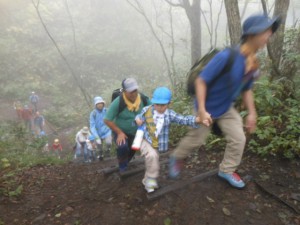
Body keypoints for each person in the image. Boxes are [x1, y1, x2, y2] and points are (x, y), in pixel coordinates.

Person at [169, 14, 281, 189]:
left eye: (270, 31)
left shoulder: (252, 62)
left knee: (238, 138)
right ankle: (177, 156)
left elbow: (246, 88)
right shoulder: (227, 56)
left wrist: (252, 112)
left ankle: (226, 170)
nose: (269, 35)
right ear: (252, 34)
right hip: (205, 107)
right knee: (196, 139)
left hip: (225, 108)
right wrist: (202, 111)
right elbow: (201, 81)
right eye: (266, 31)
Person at [135, 87, 201, 193]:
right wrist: (137, 120)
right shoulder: (146, 111)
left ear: (169, 103)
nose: (160, 108)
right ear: (153, 102)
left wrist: (196, 120)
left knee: (153, 160)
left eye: (163, 105)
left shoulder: (169, 114)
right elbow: (138, 117)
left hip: (157, 144)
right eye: (157, 104)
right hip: (146, 141)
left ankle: (146, 180)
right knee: (152, 156)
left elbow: (183, 119)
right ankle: (150, 182)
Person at [104, 78, 151, 172]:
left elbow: (152, 109)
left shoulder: (143, 99)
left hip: (137, 131)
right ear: (125, 91)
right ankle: (122, 167)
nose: (134, 93)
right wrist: (119, 133)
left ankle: (126, 161)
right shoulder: (118, 102)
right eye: (131, 91)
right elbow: (107, 120)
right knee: (123, 146)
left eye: (135, 90)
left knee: (134, 147)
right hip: (121, 131)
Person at [89, 96, 112, 161]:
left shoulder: (107, 111)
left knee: (108, 142)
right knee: (99, 145)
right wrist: (96, 136)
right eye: (98, 104)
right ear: (96, 105)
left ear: (103, 104)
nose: (100, 105)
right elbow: (92, 126)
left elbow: (111, 120)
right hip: (97, 132)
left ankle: (107, 151)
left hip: (107, 131)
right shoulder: (93, 113)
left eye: (101, 103)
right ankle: (100, 155)